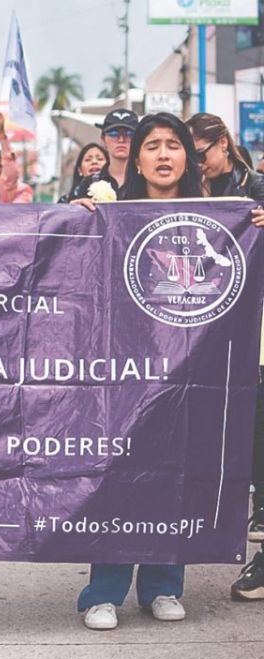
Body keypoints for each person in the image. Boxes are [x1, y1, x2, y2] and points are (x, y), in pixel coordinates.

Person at [70, 112, 226, 630]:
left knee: (175, 470)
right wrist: (75, 217)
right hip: (125, 365)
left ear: (189, 156)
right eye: (152, 145)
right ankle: (104, 592)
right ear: (135, 158)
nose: (163, 154)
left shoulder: (221, 219)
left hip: (190, 366)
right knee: (121, 472)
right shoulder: (111, 212)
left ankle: (163, 585)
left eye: (173, 145)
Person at [185, 112, 264, 600]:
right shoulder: (189, 193)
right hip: (202, 341)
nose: (197, 165)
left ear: (222, 145)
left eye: (200, 155)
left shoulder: (255, 189)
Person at [95, 108, 138, 189]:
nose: (121, 140)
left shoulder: (148, 182)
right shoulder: (89, 183)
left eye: (129, 134)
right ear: (103, 139)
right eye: (113, 134)